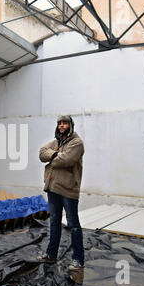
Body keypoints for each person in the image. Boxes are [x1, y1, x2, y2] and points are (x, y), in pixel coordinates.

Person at [38, 115, 85, 271]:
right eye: (59, 123)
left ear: (70, 125)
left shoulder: (77, 143)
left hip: (68, 189)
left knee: (73, 225)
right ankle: (51, 254)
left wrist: (53, 156)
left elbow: (65, 160)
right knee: (54, 222)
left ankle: (78, 259)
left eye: (65, 123)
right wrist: (54, 154)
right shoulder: (56, 142)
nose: (61, 126)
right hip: (53, 188)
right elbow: (41, 153)